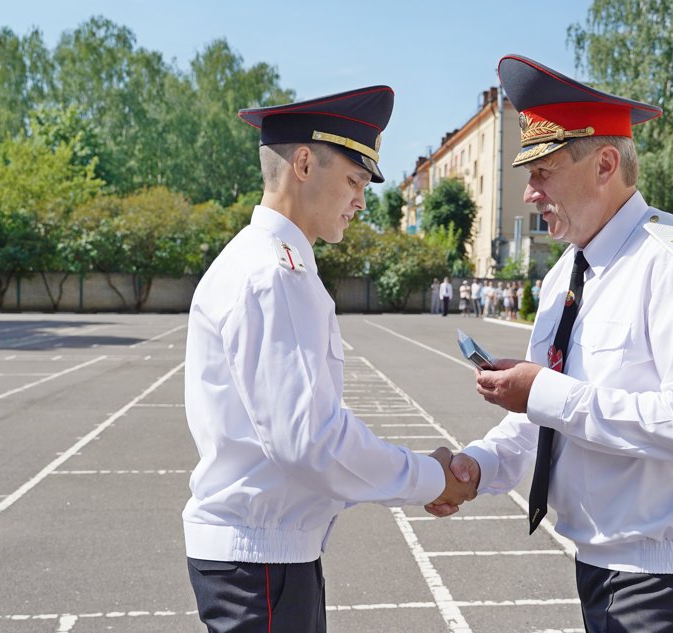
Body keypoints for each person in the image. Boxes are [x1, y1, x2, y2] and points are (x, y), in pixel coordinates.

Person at [428, 54, 673, 632]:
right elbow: (544, 412)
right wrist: (482, 464)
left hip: (664, 567)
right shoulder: (563, 274)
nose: (529, 194)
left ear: (604, 164)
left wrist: (546, 393)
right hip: (595, 555)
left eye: (542, 172)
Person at [182, 86, 475, 633]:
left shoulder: (265, 260)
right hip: (260, 565)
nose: (362, 200)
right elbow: (309, 441)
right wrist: (430, 477)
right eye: (354, 180)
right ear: (303, 163)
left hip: (264, 557)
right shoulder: (276, 272)